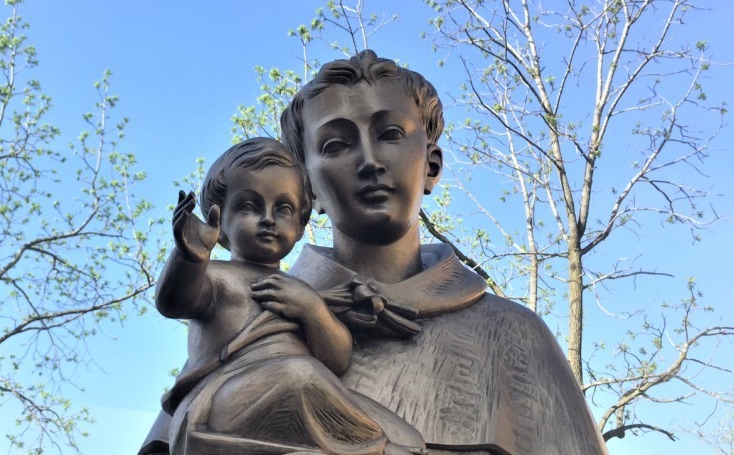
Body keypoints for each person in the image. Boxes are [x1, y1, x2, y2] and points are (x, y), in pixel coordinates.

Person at [279, 50, 610, 455]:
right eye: (335, 145)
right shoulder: (257, 324)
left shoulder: (515, 337)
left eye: (391, 135)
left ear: (432, 166)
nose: (369, 161)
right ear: (308, 188)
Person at [154, 137, 425, 455]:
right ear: (221, 221)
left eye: (283, 208)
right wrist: (190, 258)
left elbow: (336, 360)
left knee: (408, 437)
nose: (268, 218)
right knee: (300, 374)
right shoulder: (214, 276)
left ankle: (381, 445)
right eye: (249, 206)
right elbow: (173, 302)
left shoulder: (302, 290)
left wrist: (313, 310)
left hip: (295, 392)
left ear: (299, 226)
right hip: (225, 401)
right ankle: (375, 450)